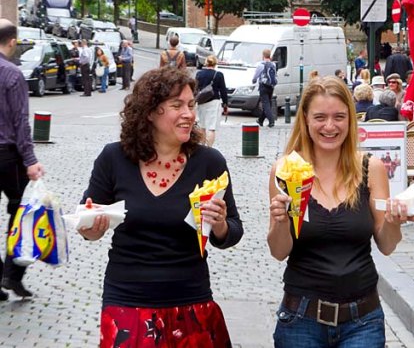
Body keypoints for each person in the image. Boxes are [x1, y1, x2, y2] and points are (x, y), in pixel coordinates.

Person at [79, 67, 243, 346]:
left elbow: (232, 233)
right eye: (176, 105)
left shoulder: (209, 162)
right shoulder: (114, 158)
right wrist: (92, 226)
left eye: (191, 105)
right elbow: (88, 225)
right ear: (150, 112)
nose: (189, 114)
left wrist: (220, 225)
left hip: (190, 302)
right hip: (128, 302)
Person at [267, 76, 414, 347]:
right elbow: (279, 251)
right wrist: (280, 221)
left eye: (339, 117)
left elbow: (386, 245)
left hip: (362, 320)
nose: (329, 126)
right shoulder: (286, 170)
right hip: (301, 318)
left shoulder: (371, 168)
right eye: (320, 117)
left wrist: (394, 222)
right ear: (305, 119)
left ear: (350, 120)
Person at [0, 19, 45, 300]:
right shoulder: (13, 74)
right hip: (8, 157)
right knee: (21, 215)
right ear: (13, 41)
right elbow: (20, 123)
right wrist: (30, 160)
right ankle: (11, 273)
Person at [196, 55, 228, 147]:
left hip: (202, 101)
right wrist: (225, 105)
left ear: (206, 63)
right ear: (215, 63)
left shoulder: (199, 74)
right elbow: (223, 91)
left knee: (202, 125)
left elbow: (195, 88)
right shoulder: (218, 75)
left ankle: (201, 147)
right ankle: (209, 148)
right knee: (211, 127)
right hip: (214, 101)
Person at [252, 48, 277, 128]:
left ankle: (271, 120)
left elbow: (256, 76)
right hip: (271, 86)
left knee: (266, 104)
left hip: (263, 86)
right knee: (268, 103)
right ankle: (260, 120)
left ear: (263, 55)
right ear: (270, 56)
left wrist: (254, 80)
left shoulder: (261, 65)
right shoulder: (273, 65)